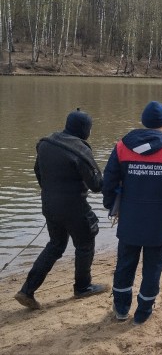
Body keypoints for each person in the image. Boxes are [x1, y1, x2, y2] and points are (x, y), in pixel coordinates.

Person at [102, 101, 162, 325]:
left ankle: (120, 309)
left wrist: (112, 206)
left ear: (143, 122)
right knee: (153, 268)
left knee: (125, 264)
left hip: (129, 219)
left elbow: (108, 181)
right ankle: (143, 312)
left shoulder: (121, 147)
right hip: (159, 221)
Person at [14, 108, 106, 310]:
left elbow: (37, 170)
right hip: (73, 206)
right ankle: (83, 287)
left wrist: (49, 192)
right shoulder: (80, 150)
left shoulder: (47, 143)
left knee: (56, 245)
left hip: (49, 204)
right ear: (84, 129)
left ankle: (27, 290)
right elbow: (97, 185)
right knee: (85, 242)